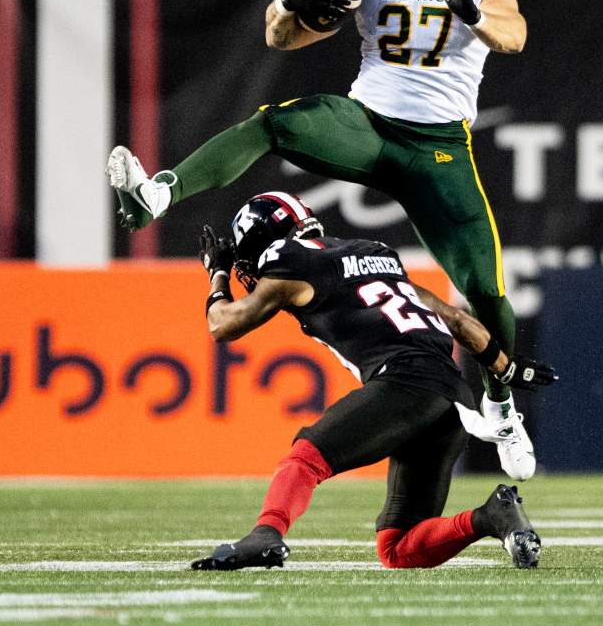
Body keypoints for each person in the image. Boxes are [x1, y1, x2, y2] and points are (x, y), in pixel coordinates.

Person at [106, 0, 539, 480]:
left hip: (439, 148)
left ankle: (501, 408)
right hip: (367, 125)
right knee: (273, 122)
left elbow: (514, 35)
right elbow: (279, 38)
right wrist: (290, 1)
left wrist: (474, 15)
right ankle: (156, 194)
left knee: (487, 286)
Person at [189, 191, 556, 571]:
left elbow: (223, 325)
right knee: (398, 550)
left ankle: (265, 533)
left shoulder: (292, 261)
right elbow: (457, 320)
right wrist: (505, 367)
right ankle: (492, 516)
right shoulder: (374, 252)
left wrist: (217, 274)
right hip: (452, 396)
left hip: (405, 382)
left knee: (305, 458)